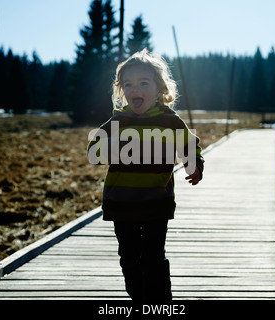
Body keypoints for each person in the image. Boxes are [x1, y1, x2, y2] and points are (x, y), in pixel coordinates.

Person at [87, 49, 204, 301]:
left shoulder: (169, 120)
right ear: (121, 91)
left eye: (143, 82)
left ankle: (161, 302)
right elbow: (94, 150)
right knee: (129, 258)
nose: (135, 89)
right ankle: (139, 299)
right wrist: (109, 147)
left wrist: (194, 164)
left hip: (156, 202)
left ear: (159, 88)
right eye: (128, 84)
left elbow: (188, 145)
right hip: (121, 204)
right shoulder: (117, 121)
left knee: (153, 257)